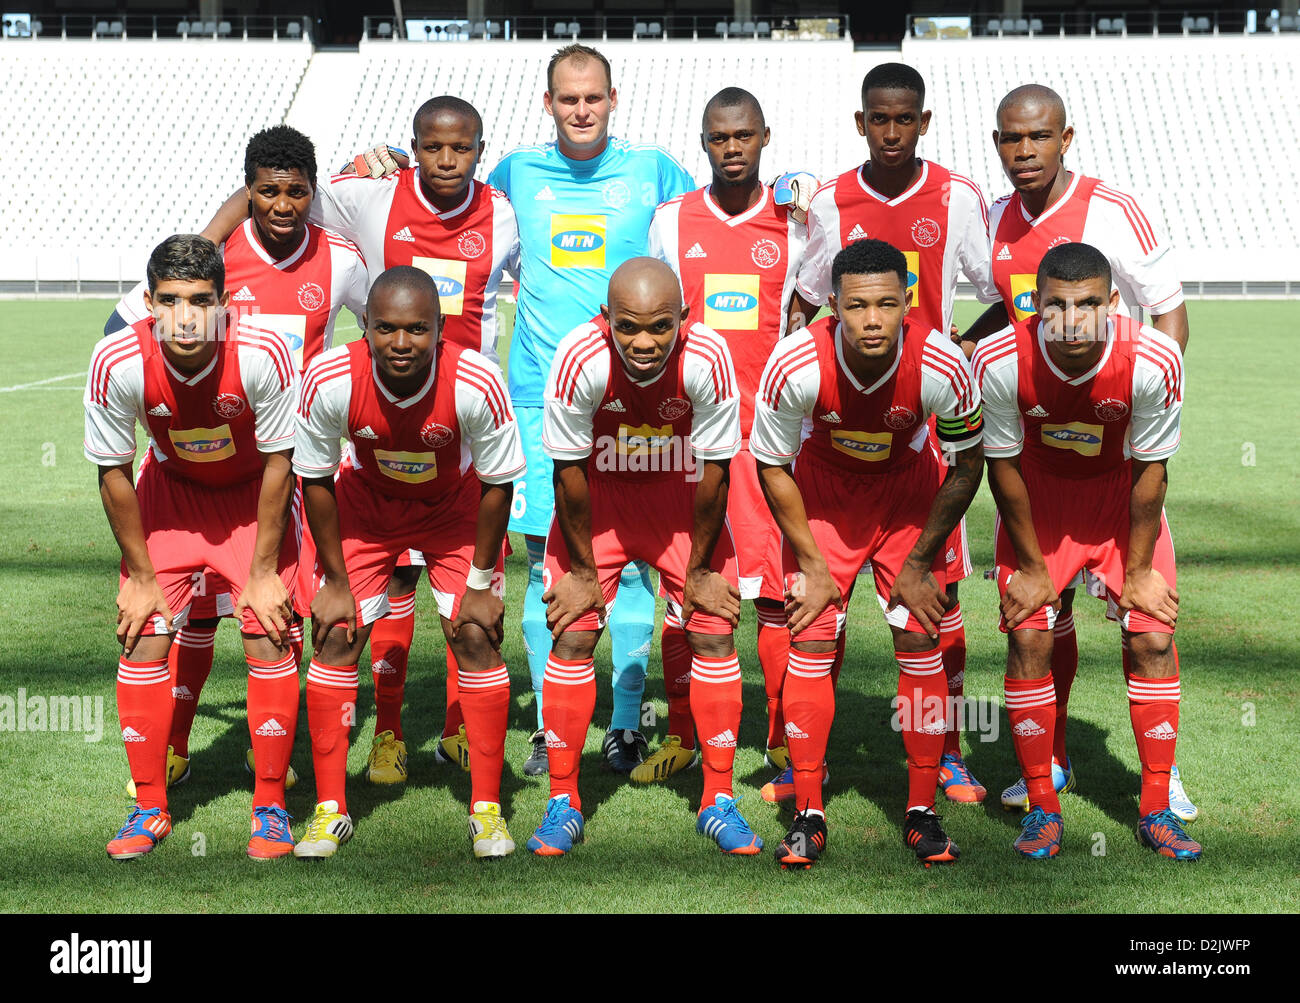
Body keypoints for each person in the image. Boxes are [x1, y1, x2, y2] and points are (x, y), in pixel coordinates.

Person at [206, 99, 519, 783]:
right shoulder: (371, 199)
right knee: (352, 594)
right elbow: (279, 191)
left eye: (460, 148)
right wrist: (208, 237)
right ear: (413, 146)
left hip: (463, 424)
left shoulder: (508, 210)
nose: (445, 159)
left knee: (462, 601)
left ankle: (452, 731)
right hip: (368, 429)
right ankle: (375, 734)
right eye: (430, 147)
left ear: (479, 150)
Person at [112, 125, 367, 800]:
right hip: (193, 459)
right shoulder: (215, 257)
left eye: (296, 193)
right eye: (267, 192)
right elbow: (133, 329)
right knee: (191, 615)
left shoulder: (340, 260)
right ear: (247, 192)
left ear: (310, 196)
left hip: (284, 463)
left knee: (278, 616)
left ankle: (270, 761)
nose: (283, 205)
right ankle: (170, 747)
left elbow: (386, 333)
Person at [971, 84, 1195, 819]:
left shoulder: (1113, 210)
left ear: (1066, 138)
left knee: (1148, 627)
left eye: (1038, 137)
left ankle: (1161, 774)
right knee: (1041, 619)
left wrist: (1145, 403)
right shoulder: (996, 219)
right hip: (1041, 459)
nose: (1024, 151)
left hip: (1113, 449)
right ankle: (1052, 761)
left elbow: (1166, 311)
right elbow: (1010, 314)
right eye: (1011, 139)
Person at [791, 62, 1000, 805]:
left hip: (927, 423)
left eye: (903, 119)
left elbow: (1003, 290)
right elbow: (809, 296)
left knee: (936, 602)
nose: (890, 132)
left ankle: (945, 753)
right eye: (878, 119)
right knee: (822, 601)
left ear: (924, 122)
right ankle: (804, 757)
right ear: (860, 122)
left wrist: (963, 348)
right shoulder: (832, 201)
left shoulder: (958, 197)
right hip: (844, 419)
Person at [487, 44, 696, 776]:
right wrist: (379, 160)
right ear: (549, 104)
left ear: (614, 99)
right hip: (541, 401)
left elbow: (712, 221)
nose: (582, 110)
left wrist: (794, 186)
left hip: (637, 404)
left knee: (637, 568)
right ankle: (551, 722)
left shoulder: (655, 170)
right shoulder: (514, 174)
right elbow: (450, 215)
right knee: (552, 561)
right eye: (568, 99)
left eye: (594, 98)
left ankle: (629, 716)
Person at [750, 239, 984, 869]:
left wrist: (916, 565)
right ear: (832, 305)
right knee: (812, 640)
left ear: (908, 302)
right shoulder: (794, 361)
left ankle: (921, 809)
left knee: (919, 640)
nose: (873, 320)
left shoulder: (941, 363)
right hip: (823, 502)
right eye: (857, 307)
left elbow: (966, 468)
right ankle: (807, 810)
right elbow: (770, 465)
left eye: (886, 304)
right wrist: (815, 566)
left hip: (908, 498)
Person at [527, 258, 762, 856]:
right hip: (599, 504)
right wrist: (582, 573)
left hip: (679, 501)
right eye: (628, 327)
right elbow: (568, 469)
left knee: (712, 630)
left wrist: (702, 570)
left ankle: (718, 800)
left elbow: (716, 469)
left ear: (684, 319)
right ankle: (563, 801)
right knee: (573, 632)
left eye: (660, 327)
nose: (643, 342)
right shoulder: (580, 357)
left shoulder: (707, 356)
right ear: (605, 319)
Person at [292, 266, 523, 859]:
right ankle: (329, 811)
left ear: (440, 330)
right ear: (364, 326)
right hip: (367, 506)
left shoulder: (475, 380)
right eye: (387, 329)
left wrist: (478, 582)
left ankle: (488, 810)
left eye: (417, 330)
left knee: (475, 634)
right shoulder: (329, 377)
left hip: (454, 508)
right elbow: (314, 476)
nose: (401, 344)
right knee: (337, 634)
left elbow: (498, 484)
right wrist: (336, 580)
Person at [86, 234, 300, 859]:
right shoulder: (116, 359)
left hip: (250, 498)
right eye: (171, 301)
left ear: (225, 303)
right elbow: (113, 472)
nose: (186, 317)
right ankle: (150, 807)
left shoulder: (263, 353)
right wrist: (142, 574)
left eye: (201, 302)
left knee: (267, 630)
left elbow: (282, 463)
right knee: (145, 633)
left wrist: (263, 570)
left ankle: (270, 805)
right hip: (170, 497)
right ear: (149, 304)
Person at [643, 87, 807, 784]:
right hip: (687, 441)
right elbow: (652, 323)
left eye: (743, 135)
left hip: (767, 441)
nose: (732, 147)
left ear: (765, 137)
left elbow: (810, 315)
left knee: (773, 594)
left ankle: (776, 742)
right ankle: (684, 733)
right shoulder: (671, 220)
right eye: (719, 137)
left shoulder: (797, 220)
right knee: (686, 590)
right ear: (703, 143)